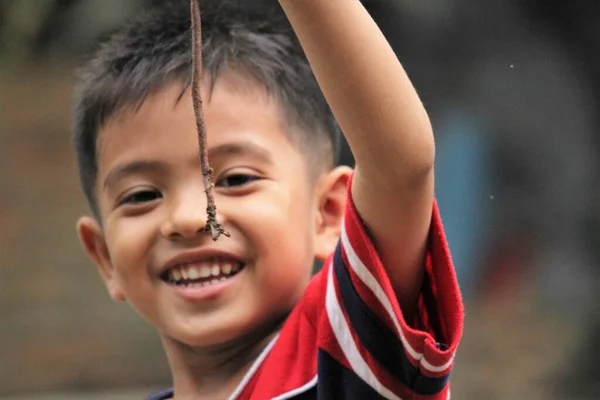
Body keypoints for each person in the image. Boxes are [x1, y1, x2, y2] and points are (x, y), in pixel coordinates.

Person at [72, 0, 463, 398]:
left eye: (236, 179)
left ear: (328, 212)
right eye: (141, 195)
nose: (189, 218)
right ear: (104, 257)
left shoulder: (350, 358)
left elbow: (401, 169)